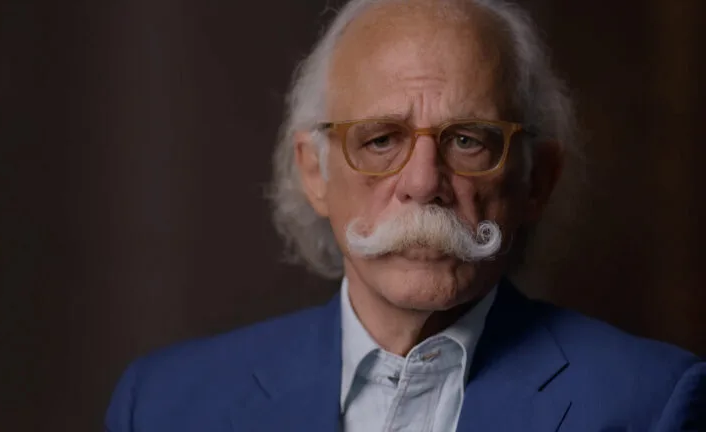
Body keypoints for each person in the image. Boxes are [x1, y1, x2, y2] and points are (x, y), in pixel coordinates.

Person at [104, 0, 706, 430]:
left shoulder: (652, 404)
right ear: (314, 172)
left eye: (468, 140)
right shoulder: (161, 405)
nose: (423, 184)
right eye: (381, 140)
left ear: (536, 179)